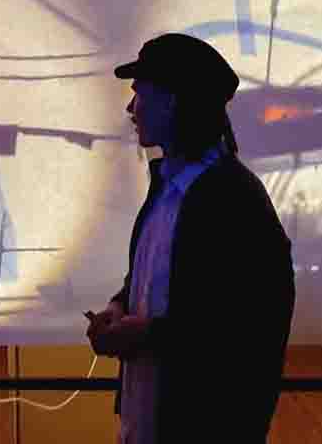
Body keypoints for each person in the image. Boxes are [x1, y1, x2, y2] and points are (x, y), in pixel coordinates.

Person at [86, 33, 295, 444]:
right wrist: (119, 306)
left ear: (172, 102)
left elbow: (249, 325)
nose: (131, 108)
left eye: (140, 94)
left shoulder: (236, 200)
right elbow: (152, 278)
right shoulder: (167, 188)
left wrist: (148, 335)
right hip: (144, 422)